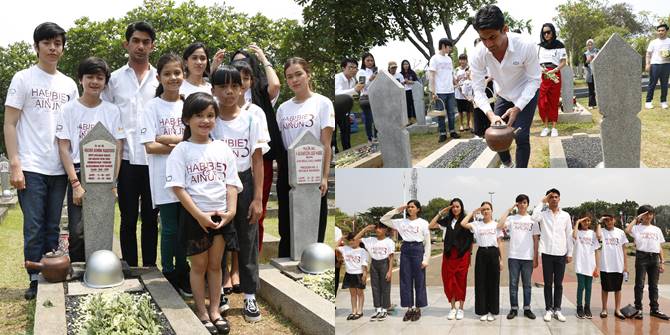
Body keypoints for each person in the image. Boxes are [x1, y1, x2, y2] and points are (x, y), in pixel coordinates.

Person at [4, 22, 79, 300]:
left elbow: (72, 127)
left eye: (57, 43)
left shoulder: (69, 84)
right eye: (47, 42)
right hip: (31, 166)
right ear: (36, 47)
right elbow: (10, 123)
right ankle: (35, 277)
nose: (52, 48)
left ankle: (52, 273)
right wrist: (15, 163)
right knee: (34, 224)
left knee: (52, 226)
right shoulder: (23, 79)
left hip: (58, 166)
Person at [165, 92, 242, 334]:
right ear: (187, 119)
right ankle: (201, 310)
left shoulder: (222, 148)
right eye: (199, 115)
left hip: (221, 216)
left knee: (216, 265)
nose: (205, 120)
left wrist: (231, 212)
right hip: (195, 216)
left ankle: (215, 310)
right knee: (198, 266)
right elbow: (178, 187)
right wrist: (198, 215)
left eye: (210, 115)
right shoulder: (182, 150)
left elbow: (232, 183)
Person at [211, 65, 269, 323]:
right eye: (222, 86)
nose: (229, 91)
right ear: (213, 90)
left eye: (234, 86)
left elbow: (257, 161)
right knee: (218, 242)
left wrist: (257, 198)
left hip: (245, 184)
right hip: (216, 187)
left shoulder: (250, 120)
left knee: (247, 240)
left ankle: (249, 296)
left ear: (242, 87)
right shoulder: (209, 119)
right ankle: (219, 293)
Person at [56, 57, 124, 263]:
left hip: (104, 174)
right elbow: (63, 147)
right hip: (78, 173)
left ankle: (100, 268)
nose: (94, 81)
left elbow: (118, 148)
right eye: (90, 77)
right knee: (77, 231)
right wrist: (75, 183)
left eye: (99, 77)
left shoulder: (112, 111)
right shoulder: (68, 110)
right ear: (80, 79)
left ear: (105, 82)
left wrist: (113, 182)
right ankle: (77, 270)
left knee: (102, 227)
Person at [102, 21, 159, 267]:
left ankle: (149, 267)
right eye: (136, 41)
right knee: (127, 218)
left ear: (152, 46)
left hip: (155, 159)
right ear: (126, 44)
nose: (140, 46)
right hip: (124, 159)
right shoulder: (113, 80)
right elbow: (104, 115)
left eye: (146, 42)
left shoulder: (162, 78)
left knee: (150, 218)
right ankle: (130, 266)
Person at [139, 53, 192, 297]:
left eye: (178, 73)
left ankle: (184, 270)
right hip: (163, 177)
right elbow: (150, 146)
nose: (173, 78)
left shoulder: (189, 105)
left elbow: (199, 140)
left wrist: (169, 139)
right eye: (168, 73)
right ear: (158, 77)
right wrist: (183, 143)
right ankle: (169, 271)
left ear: (184, 75)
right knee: (169, 228)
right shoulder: (151, 107)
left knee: (185, 227)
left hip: (190, 178)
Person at [470, 5, 541, 168]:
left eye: (492, 37)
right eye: (483, 39)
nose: (488, 44)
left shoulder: (526, 45)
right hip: (503, 93)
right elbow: (478, 90)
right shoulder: (477, 53)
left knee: (521, 135)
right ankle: (508, 164)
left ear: (505, 29)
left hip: (526, 93)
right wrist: (491, 115)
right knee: (495, 134)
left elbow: (534, 81)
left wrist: (518, 108)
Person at [276, 58, 334, 257]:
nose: (294, 80)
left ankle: (312, 262)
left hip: (313, 171)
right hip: (288, 174)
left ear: (308, 74)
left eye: (298, 74)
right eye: (289, 77)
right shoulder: (283, 109)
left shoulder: (322, 103)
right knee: (286, 224)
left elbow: (326, 144)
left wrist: (324, 176)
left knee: (313, 222)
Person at [380, 200, 430, 322]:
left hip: (418, 249)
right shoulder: (401, 222)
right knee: (405, 281)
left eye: (412, 207)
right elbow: (384, 219)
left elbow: (427, 243)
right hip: (406, 249)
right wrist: (397, 210)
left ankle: (418, 309)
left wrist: (426, 259)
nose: (410, 209)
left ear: (418, 209)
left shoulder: (423, 223)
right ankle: (409, 309)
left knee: (419, 281)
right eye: (408, 207)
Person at [532, 188, 573, 322]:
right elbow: (533, 217)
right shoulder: (543, 214)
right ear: (548, 199)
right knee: (548, 283)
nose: (554, 199)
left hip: (561, 253)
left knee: (559, 284)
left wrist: (570, 253)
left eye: (556, 197)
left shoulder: (565, 215)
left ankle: (558, 309)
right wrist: (541, 202)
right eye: (551, 197)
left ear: (559, 199)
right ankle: (548, 309)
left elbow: (569, 234)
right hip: (547, 253)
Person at [428, 198, 473, 320]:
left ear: (461, 207)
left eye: (457, 206)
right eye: (453, 207)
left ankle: (461, 308)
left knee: (461, 281)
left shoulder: (467, 220)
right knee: (449, 281)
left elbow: (470, 240)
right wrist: (440, 213)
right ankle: (453, 308)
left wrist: (470, 255)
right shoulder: (447, 220)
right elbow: (431, 225)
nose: (455, 209)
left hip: (462, 255)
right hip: (449, 255)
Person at [496, 194, 539, 319]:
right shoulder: (512, 219)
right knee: (513, 284)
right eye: (519, 202)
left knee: (527, 284)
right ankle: (514, 308)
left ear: (527, 204)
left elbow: (536, 240)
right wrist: (509, 210)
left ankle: (527, 308)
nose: (522, 204)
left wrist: (536, 257)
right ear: (516, 204)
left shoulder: (533, 220)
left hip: (528, 257)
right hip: (514, 256)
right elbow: (499, 225)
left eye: (524, 202)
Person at [460, 202, 504, 322]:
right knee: (481, 283)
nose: (486, 211)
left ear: (492, 211)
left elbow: (500, 243)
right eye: (483, 209)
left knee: (493, 283)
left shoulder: (496, 225)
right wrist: (474, 211)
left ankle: (492, 311)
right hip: (481, 254)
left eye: (488, 209)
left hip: (493, 253)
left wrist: (501, 259)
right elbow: (463, 223)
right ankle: (482, 310)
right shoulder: (476, 224)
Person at [625, 205, 669, 320]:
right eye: (645, 214)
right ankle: (638, 309)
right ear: (641, 216)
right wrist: (636, 218)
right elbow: (627, 230)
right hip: (642, 257)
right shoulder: (636, 228)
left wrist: (662, 261)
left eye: (650, 214)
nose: (648, 216)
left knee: (654, 286)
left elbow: (659, 246)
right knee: (639, 284)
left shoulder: (657, 229)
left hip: (654, 258)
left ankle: (654, 309)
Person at [354, 224, 394, 321]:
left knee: (385, 287)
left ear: (385, 230)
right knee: (375, 287)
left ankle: (384, 309)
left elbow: (391, 257)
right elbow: (355, 239)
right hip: (374, 264)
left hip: (385, 263)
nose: (378, 230)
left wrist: (389, 271)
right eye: (376, 228)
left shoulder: (389, 241)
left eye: (380, 228)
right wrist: (365, 229)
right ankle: (378, 309)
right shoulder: (370, 240)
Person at [594, 214, 627, 319]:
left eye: (611, 220)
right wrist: (599, 222)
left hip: (618, 265)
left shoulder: (620, 232)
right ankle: (604, 309)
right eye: (606, 220)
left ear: (614, 220)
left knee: (618, 289)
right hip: (606, 265)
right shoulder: (602, 231)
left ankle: (617, 309)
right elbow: (598, 236)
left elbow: (624, 249)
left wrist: (625, 265)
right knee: (605, 288)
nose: (609, 222)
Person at [537, 23, 567, 137]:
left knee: (553, 101)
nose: (546, 34)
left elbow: (563, 62)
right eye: (544, 32)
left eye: (548, 32)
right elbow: (535, 61)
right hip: (543, 75)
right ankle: (545, 127)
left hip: (555, 74)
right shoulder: (539, 46)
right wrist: (542, 69)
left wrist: (554, 70)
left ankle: (554, 127)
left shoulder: (560, 45)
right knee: (542, 102)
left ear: (553, 32)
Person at [428, 38, 460, 142]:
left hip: (450, 90)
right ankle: (442, 133)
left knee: (451, 112)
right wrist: (433, 91)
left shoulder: (449, 59)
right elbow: (432, 76)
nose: (450, 49)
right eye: (449, 47)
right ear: (443, 46)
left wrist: (456, 83)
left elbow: (451, 74)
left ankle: (452, 131)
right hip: (439, 91)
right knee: (441, 114)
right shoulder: (434, 59)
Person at [572, 215, 600, 319]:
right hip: (580, 264)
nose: (586, 223)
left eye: (588, 221)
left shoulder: (592, 234)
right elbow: (574, 236)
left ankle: (587, 307)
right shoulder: (577, 232)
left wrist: (597, 267)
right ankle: (579, 307)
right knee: (581, 287)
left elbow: (596, 250)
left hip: (590, 265)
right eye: (584, 221)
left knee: (589, 287)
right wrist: (578, 221)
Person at [336, 232, 369, 321]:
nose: (351, 242)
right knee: (353, 294)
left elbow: (364, 263)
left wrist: (365, 274)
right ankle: (353, 311)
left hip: (359, 274)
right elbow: (335, 247)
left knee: (360, 293)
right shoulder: (345, 249)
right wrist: (342, 238)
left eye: (354, 240)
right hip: (349, 274)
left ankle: (360, 311)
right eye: (350, 240)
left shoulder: (362, 251)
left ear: (359, 240)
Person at [334, 58, 363, 152]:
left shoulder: (353, 80)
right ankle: (335, 157)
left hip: (344, 111)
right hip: (332, 110)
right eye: (350, 67)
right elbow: (337, 94)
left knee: (346, 131)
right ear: (343, 68)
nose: (353, 70)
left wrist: (350, 113)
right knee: (332, 137)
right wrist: (354, 90)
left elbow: (351, 98)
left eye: (355, 68)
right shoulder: (338, 77)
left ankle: (348, 151)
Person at [472, 38, 493, 138]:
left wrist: (487, 80)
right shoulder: (475, 58)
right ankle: (478, 131)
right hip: (478, 84)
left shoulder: (490, 56)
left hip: (489, 84)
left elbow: (493, 73)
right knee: (477, 108)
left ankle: (489, 129)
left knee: (489, 107)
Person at [645, 23, 670, 110]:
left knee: (664, 84)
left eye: (662, 30)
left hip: (666, 65)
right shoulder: (653, 42)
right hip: (655, 65)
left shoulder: (669, 41)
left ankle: (663, 102)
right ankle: (648, 102)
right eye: (659, 31)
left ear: (666, 31)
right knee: (652, 83)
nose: (660, 32)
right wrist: (647, 64)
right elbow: (648, 54)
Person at [356, 52, 378, 143]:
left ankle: (377, 136)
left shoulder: (375, 71)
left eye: (371, 60)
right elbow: (362, 86)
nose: (370, 62)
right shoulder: (361, 72)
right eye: (368, 60)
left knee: (377, 118)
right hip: (366, 98)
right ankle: (370, 138)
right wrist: (370, 79)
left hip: (376, 97)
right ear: (364, 62)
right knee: (369, 118)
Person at [454, 54, 474, 132]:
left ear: (466, 60)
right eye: (461, 59)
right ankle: (461, 124)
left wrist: (468, 76)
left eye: (464, 59)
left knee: (468, 110)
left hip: (467, 93)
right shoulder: (456, 70)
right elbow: (454, 80)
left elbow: (471, 79)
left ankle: (468, 124)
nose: (462, 61)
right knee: (460, 110)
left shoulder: (469, 69)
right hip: (459, 93)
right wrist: (458, 84)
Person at [583, 39, 599, 109]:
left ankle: (602, 103)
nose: (590, 46)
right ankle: (592, 105)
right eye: (588, 45)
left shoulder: (597, 51)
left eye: (591, 44)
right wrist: (588, 60)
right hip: (590, 74)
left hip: (597, 73)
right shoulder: (585, 54)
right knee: (591, 90)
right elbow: (585, 65)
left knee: (599, 89)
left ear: (593, 44)